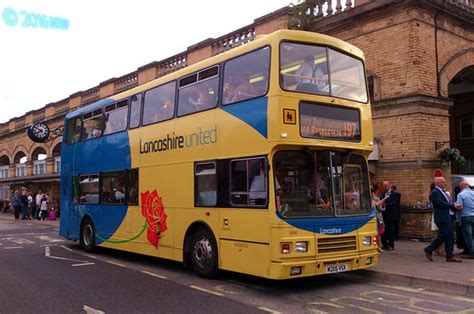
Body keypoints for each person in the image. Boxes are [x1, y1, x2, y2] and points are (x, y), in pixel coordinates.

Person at [424, 176, 463, 262]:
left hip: (447, 216)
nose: (445, 183)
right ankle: (429, 249)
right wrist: (453, 206)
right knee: (444, 234)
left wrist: (455, 206)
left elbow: (447, 202)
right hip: (441, 217)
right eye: (443, 182)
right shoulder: (435, 192)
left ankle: (449, 255)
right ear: (438, 183)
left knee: (450, 236)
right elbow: (440, 203)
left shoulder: (443, 192)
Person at [456, 180, 474, 259]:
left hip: (465, 217)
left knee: (468, 236)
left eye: (460, 187)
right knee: (473, 235)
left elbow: (459, 207)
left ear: (462, 186)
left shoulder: (461, 194)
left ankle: (471, 252)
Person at [379, 181, 397, 251]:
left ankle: (391, 244)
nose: (384, 188)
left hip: (390, 214)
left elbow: (393, 203)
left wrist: (385, 204)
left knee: (390, 230)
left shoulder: (394, 194)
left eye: (385, 186)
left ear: (389, 186)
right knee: (383, 230)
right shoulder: (382, 194)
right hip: (383, 214)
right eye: (383, 186)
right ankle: (384, 244)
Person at [372, 187, 388, 252]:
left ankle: (376, 246)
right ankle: (378, 246)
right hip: (377, 217)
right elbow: (379, 207)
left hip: (372, 217)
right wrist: (385, 198)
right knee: (378, 233)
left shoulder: (365, 199)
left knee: (376, 233)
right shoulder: (375, 199)